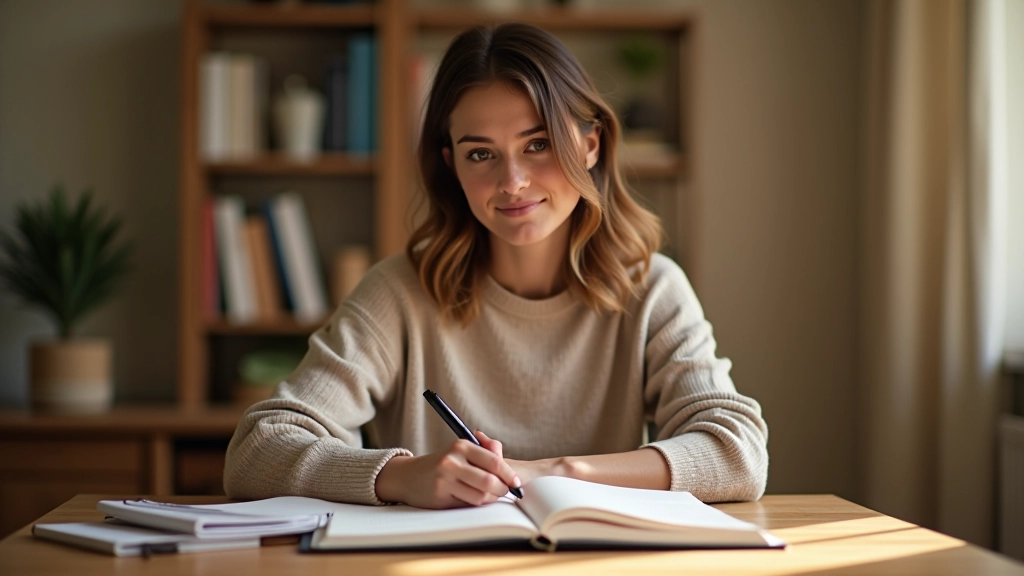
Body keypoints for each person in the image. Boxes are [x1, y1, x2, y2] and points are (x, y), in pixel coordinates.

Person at [224, 22, 768, 509]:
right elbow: (256, 449)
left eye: (538, 144)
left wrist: (561, 473)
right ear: (452, 165)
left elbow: (737, 452)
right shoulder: (397, 293)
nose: (512, 182)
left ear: (590, 146)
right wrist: (400, 475)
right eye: (480, 153)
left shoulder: (652, 289)